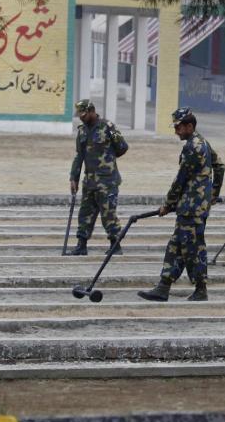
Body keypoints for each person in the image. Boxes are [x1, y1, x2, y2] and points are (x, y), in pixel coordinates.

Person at [138, 108, 216, 302]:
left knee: (192, 248)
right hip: (191, 206)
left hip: (191, 208)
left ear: (189, 126)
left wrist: (167, 204)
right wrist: (212, 194)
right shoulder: (203, 142)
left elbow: (180, 180)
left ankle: (200, 289)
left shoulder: (193, 147)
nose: (176, 131)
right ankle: (163, 287)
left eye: (179, 127)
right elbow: (219, 165)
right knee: (176, 246)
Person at [64, 99, 128, 256]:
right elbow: (79, 156)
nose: (81, 118)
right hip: (89, 181)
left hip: (107, 181)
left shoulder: (108, 127)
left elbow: (122, 147)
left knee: (109, 214)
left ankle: (115, 245)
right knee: (85, 213)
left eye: (84, 115)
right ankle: (81, 245)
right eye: (79, 115)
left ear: (92, 111)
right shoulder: (82, 131)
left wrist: (108, 160)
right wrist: (74, 177)